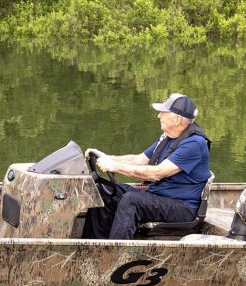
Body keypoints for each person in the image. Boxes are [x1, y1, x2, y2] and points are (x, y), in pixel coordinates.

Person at [84, 93, 212, 239]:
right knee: (102, 190)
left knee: (132, 200)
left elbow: (157, 173)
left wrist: (115, 166)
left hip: (182, 207)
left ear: (177, 119)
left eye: (163, 112)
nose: (158, 116)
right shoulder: (168, 137)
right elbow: (139, 159)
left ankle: (117, 251)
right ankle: (93, 246)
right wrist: (107, 157)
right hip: (159, 196)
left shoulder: (194, 143)